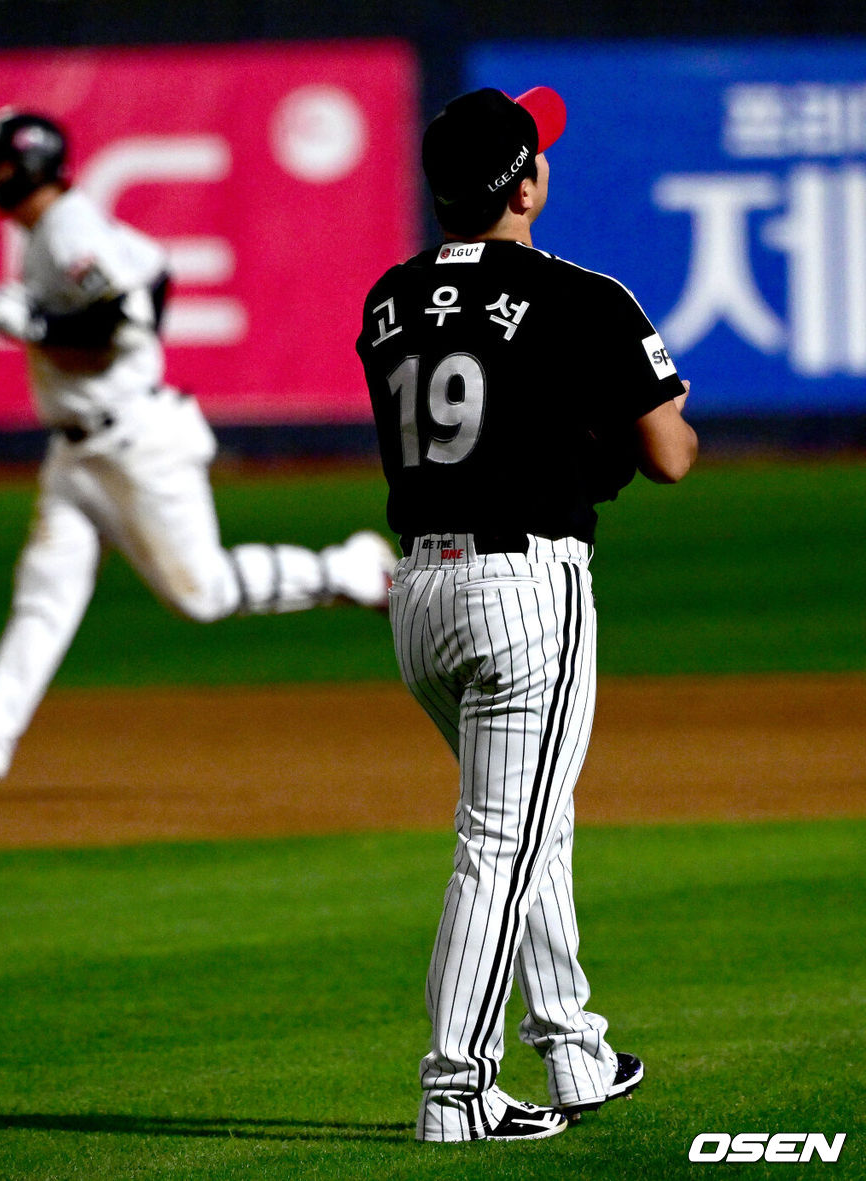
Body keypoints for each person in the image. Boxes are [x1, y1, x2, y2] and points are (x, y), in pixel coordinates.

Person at [356, 86, 697, 1143]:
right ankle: (454, 1087)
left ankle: (574, 1050)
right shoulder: (582, 296)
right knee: (500, 840)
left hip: (417, 594)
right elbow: (669, 456)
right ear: (528, 183)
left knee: (528, 822)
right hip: (523, 592)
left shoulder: (387, 298)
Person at [0, 108, 395, 782]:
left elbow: (122, 320)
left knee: (204, 593)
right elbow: (155, 273)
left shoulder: (67, 228)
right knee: (46, 592)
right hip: (80, 452)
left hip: (134, 443)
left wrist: (36, 322)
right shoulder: (62, 225)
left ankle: (352, 569)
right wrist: (49, 324)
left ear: (29, 166)